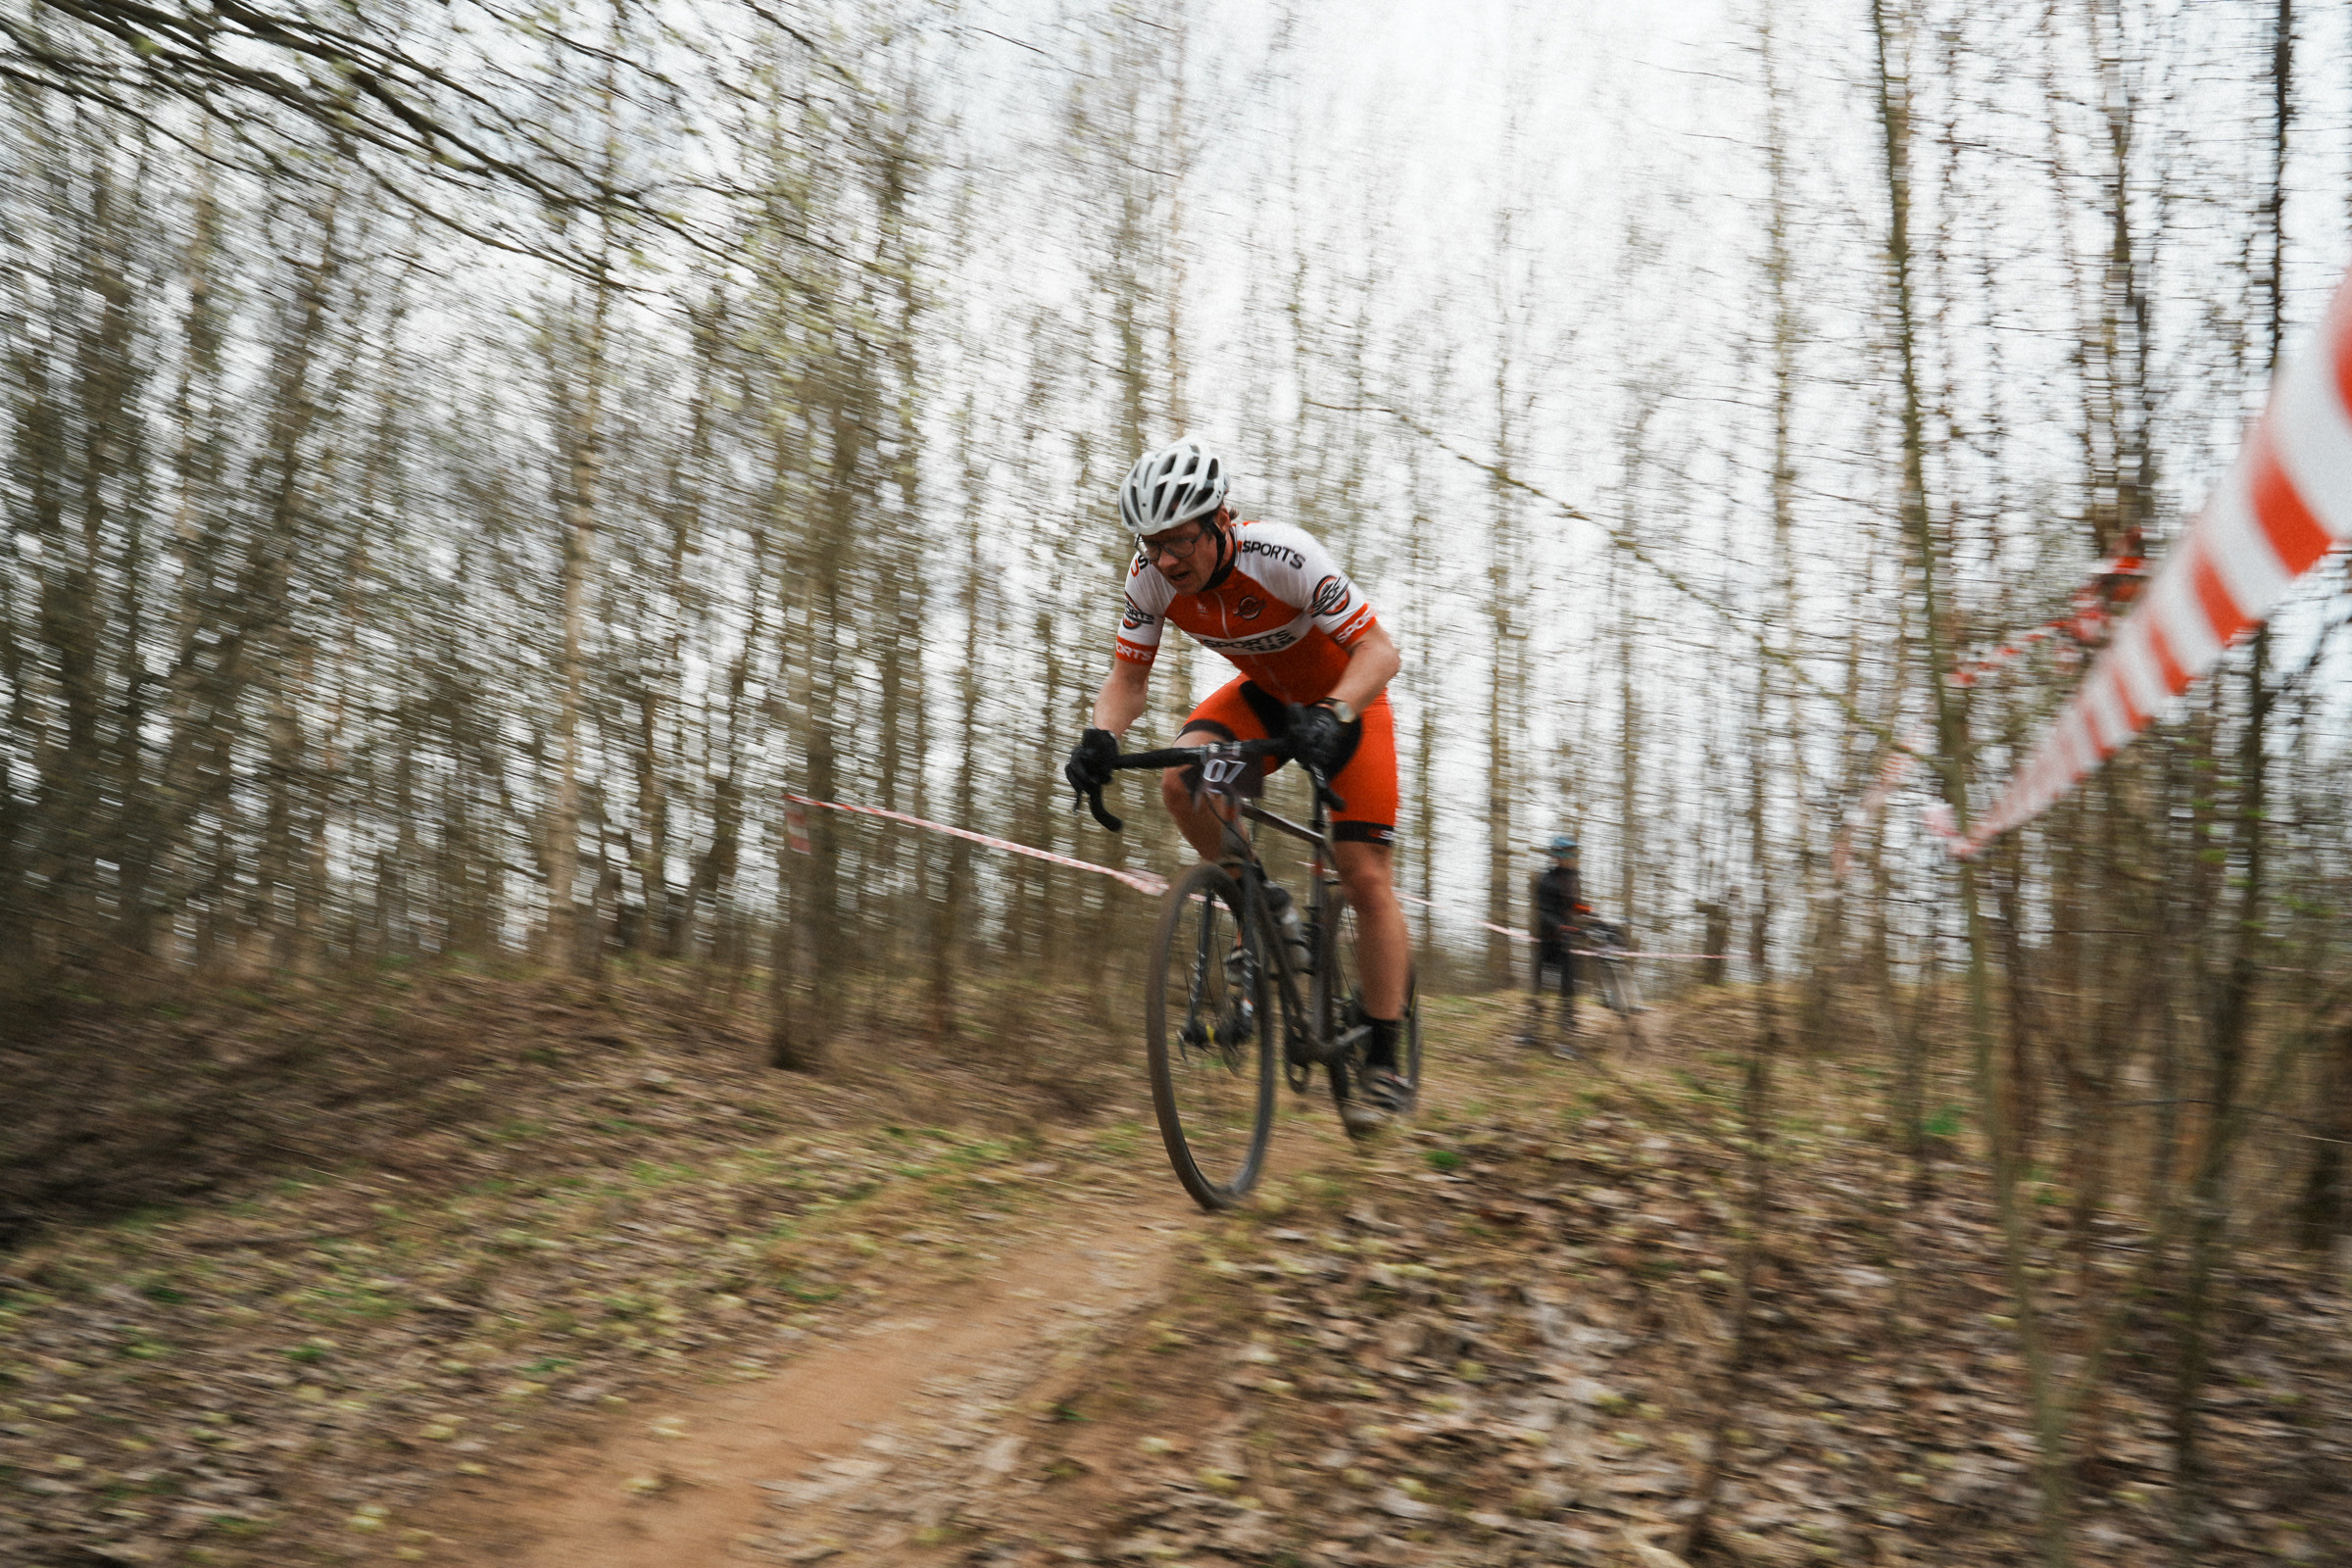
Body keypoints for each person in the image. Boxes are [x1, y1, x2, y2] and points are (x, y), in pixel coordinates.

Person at [1062, 437, 1411, 1135]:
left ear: (1222, 520)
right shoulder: (1149, 580)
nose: (1165, 559)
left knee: (1362, 874)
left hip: (1347, 707)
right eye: (1151, 544)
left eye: (1179, 542)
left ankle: (1384, 1060)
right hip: (1265, 702)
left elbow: (1380, 651)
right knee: (1186, 782)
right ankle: (1260, 896)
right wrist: (1102, 737)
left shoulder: (1284, 557)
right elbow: (1128, 679)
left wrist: (1336, 712)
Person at [1525, 833, 1582, 1055]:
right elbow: (1543, 912)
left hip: (1565, 946)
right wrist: (1560, 926)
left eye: (1570, 854)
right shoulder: (1545, 880)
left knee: (1568, 992)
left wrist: (1591, 913)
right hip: (1547, 942)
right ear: (1555, 856)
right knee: (1539, 989)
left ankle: (1566, 1041)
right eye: (1563, 854)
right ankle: (1531, 1032)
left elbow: (1576, 906)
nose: (1567, 858)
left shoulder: (1574, 878)